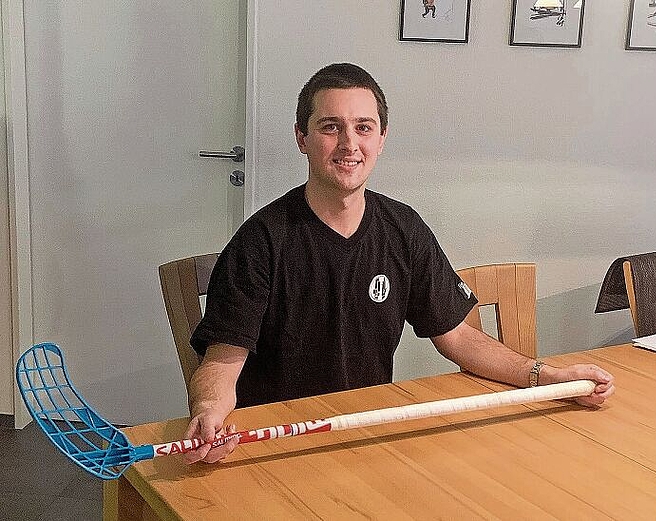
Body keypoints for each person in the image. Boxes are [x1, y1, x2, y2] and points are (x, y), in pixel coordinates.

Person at [184, 62, 615, 464]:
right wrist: (208, 413)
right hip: (279, 439)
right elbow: (223, 362)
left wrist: (544, 376)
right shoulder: (261, 241)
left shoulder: (402, 229)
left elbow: (459, 337)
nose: (349, 144)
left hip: (365, 431)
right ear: (302, 137)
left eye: (363, 128)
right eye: (330, 128)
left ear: (381, 138)